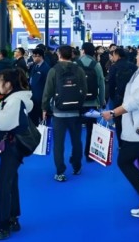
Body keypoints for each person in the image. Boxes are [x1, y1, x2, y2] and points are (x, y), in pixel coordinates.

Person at [102, 42, 139, 219]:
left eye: (138, 54)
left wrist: (113, 112)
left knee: (125, 161)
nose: (135, 57)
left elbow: (135, 102)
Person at [0, 68, 34, 240]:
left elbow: (1, 123)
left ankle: (3, 224)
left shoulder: (14, 101)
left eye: (0, 81)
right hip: (14, 147)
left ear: (8, 84)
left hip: (11, 148)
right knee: (10, 182)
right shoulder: (18, 98)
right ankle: (13, 217)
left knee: (3, 186)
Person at [42, 45, 87, 182]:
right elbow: (84, 90)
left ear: (59, 54)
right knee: (76, 141)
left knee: (59, 144)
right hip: (75, 112)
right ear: (72, 55)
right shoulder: (79, 69)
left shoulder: (53, 70)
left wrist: (44, 108)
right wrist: (78, 104)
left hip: (59, 113)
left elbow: (48, 92)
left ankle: (60, 172)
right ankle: (77, 166)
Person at [80, 42, 106, 162]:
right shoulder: (96, 65)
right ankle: (89, 154)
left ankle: (76, 156)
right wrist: (101, 101)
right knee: (91, 129)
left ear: (83, 51)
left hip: (78, 103)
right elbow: (101, 84)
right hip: (92, 102)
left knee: (76, 130)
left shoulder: (76, 64)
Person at [107, 47, 137, 146]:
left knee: (118, 120)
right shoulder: (133, 66)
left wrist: (112, 96)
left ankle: (121, 143)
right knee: (131, 119)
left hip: (118, 97)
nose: (112, 57)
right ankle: (131, 141)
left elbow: (111, 84)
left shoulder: (114, 67)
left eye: (113, 55)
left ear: (117, 55)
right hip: (132, 97)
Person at [28, 48, 50, 125]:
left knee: (42, 121)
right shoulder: (35, 66)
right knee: (33, 119)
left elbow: (47, 84)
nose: (33, 58)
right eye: (33, 56)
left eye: (34, 56)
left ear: (40, 56)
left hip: (41, 98)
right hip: (33, 96)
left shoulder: (46, 68)